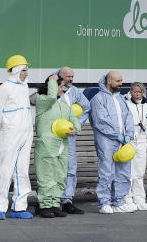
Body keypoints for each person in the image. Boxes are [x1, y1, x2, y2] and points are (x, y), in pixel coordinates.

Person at [0, 55, 35, 219]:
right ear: (16, 70)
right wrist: (5, 132)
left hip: (26, 134)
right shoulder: (4, 88)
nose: (26, 73)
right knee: (5, 170)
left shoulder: (25, 87)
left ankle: (19, 207)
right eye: (24, 70)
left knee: (22, 171)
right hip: (9, 135)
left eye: (26, 70)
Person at [34, 74, 81, 218]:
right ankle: (44, 205)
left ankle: (55, 204)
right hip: (47, 145)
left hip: (62, 145)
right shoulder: (43, 100)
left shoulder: (64, 104)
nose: (62, 89)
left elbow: (73, 119)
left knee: (60, 176)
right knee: (46, 176)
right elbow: (51, 97)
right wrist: (53, 81)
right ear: (51, 87)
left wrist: (75, 129)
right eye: (60, 86)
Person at [90, 71, 135, 214]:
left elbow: (129, 116)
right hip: (106, 141)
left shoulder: (120, 99)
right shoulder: (98, 99)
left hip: (122, 142)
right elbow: (100, 121)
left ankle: (119, 201)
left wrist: (128, 134)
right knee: (106, 172)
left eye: (121, 80)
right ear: (109, 81)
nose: (121, 84)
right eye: (117, 81)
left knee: (123, 171)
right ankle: (104, 202)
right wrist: (117, 135)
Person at [57, 66, 91, 214]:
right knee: (51, 168)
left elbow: (87, 107)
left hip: (69, 136)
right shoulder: (51, 89)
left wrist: (76, 125)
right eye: (67, 76)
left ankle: (67, 201)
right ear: (59, 76)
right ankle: (48, 201)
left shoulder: (75, 91)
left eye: (72, 76)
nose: (71, 79)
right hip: (53, 136)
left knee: (70, 168)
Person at [124, 82, 147, 211]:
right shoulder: (126, 105)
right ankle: (127, 197)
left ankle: (140, 198)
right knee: (128, 171)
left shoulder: (146, 107)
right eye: (134, 91)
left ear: (143, 93)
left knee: (139, 170)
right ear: (130, 92)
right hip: (129, 141)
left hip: (141, 141)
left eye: (139, 91)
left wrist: (142, 134)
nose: (137, 94)